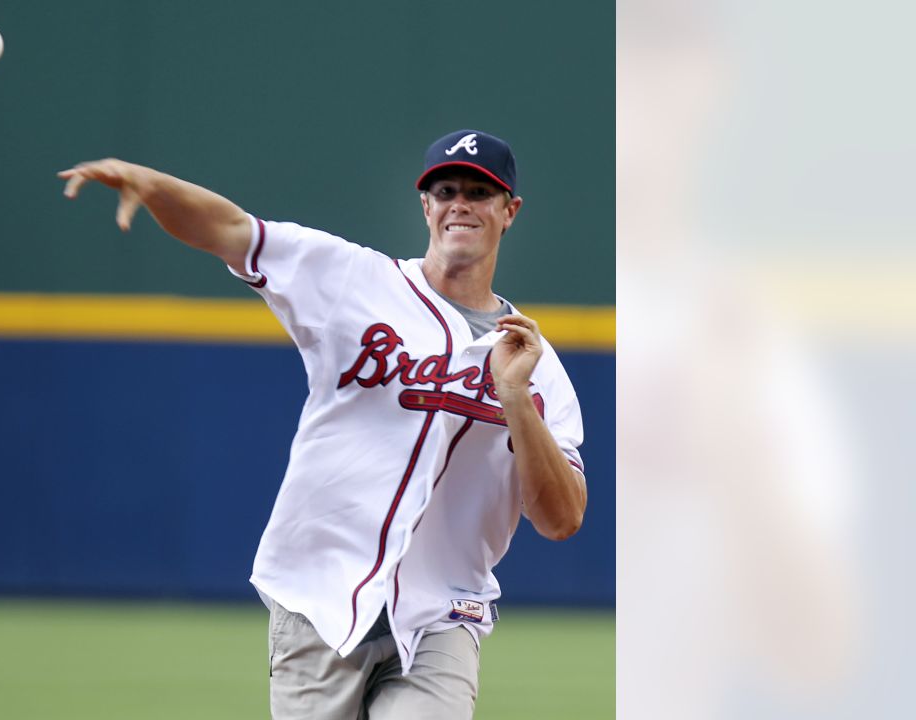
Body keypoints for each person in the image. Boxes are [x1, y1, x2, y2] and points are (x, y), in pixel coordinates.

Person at [58, 129, 587, 720]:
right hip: (319, 595)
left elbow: (562, 518)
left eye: (479, 192)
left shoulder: (539, 367)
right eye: (445, 190)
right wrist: (154, 186)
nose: (460, 203)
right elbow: (234, 232)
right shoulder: (354, 280)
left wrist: (515, 398)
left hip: (442, 614)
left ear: (509, 211)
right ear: (426, 206)